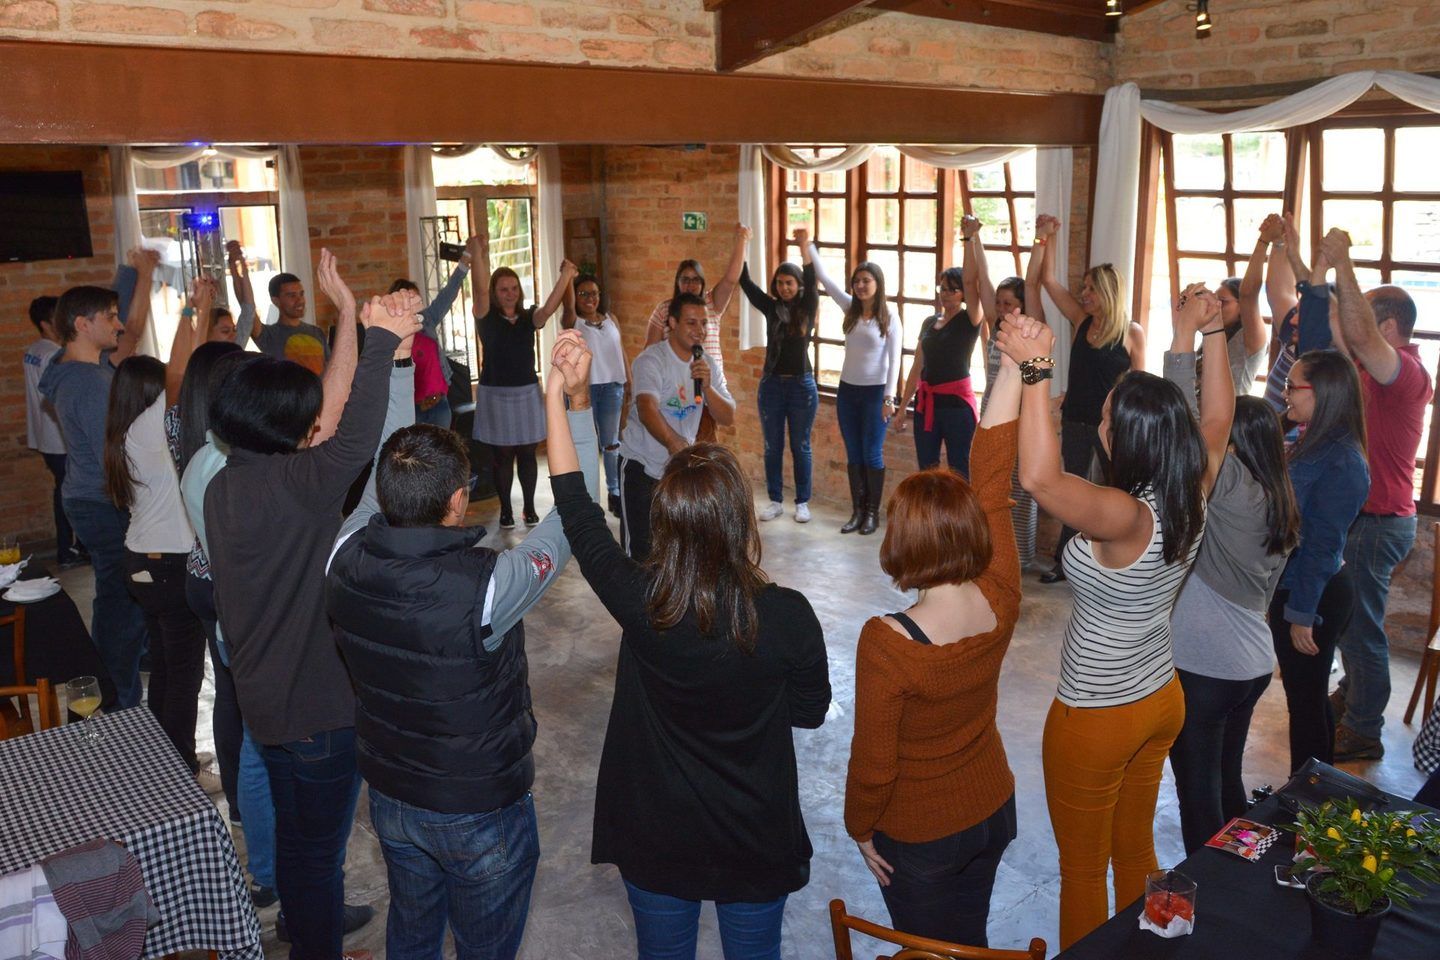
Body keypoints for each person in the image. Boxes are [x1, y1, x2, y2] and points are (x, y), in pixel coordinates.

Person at [544, 334, 831, 960]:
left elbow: (577, 509)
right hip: (754, 834)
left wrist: (561, 399)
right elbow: (809, 712)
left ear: (664, 521)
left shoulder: (642, 603)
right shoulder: (788, 617)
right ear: (740, 519)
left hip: (658, 833)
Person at [328, 331, 601, 960]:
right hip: (477, 808)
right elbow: (575, 513)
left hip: (392, 795)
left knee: (412, 933)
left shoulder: (342, 557)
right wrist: (573, 402)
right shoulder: (489, 588)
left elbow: (377, 479)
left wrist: (400, 362)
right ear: (458, 500)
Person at [996, 287, 1232, 950]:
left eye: (1105, 416)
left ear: (1120, 436)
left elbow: (1039, 479)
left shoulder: (1125, 516)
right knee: (1133, 849)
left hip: (1098, 713)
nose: (1099, 423)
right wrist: (1209, 333)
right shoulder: (1192, 486)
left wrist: (1035, 369)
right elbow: (1217, 418)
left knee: (1081, 871)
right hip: (1160, 698)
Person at [204, 277, 420, 960]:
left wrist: (364, 329)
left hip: (266, 704)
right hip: (319, 711)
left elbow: (331, 430)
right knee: (319, 854)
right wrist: (380, 343)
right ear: (286, 427)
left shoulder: (224, 485)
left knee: (299, 844)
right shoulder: (297, 485)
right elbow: (355, 438)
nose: (313, 424)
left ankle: (303, 932)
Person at [845, 333, 1024, 948]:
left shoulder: (886, 644)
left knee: (927, 952)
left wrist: (859, 828)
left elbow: (874, 766)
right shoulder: (1002, 594)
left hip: (922, 835)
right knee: (969, 944)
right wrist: (1015, 368)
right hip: (993, 808)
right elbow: (993, 478)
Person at [1163, 301, 1300, 855]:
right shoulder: (1279, 493)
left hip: (1209, 666)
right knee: (1225, 783)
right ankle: (1242, 875)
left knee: (1198, 796)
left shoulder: (1233, 487)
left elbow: (1186, 427)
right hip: (1251, 664)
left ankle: (1213, 891)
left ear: (1234, 444)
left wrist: (1187, 340)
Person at [1323, 228, 1434, 762]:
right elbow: (1340, 327)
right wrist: (1310, 261)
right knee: (1352, 620)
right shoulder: (1373, 369)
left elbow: (1360, 337)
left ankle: (1364, 727)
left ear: (1388, 327)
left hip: (1379, 521)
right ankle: (1354, 697)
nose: (1355, 328)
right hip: (1365, 518)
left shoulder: (1405, 372)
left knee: (1361, 628)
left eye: (1366, 319)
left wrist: (1344, 261)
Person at [38, 250, 158, 708]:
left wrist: (133, 274)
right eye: (110, 317)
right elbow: (114, 454)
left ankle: (118, 686)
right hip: (103, 504)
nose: (119, 324)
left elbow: (119, 323)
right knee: (121, 605)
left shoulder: (73, 364)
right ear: (83, 325)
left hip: (91, 500)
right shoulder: (86, 384)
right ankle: (113, 703)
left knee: (122, 598)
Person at [101, 281, 211, 777]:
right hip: (169, 565)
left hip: (140, 563)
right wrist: (190, 310)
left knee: (166, 666)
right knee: (184, 674)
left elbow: (191, 371)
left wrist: (199, 317)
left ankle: (165, 759)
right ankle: (181, 770)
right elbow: (182, 371)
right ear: (150, 394)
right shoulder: (151, 428)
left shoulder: (124, 435)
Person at [1270, 348, 1370, 772]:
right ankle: (1315, 786)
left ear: (1322, 392)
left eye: (1292, 386)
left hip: (1314, 593)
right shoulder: (1311, 440)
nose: (1285, 393)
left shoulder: (1342, 459)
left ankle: (1309, 794)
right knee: (1308, 698)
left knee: (1306, 703)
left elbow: (1322, 546)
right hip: (1300, 586)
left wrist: (1301, 613)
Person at [1034, 214, 1146, 584]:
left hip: (1113, 427)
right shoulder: (1082, 321)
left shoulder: (1131, 333)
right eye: (1084, 288)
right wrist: (1047, 237)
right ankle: (1066, 562)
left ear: (1108, 292)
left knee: (1116, 491)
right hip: (1077, 420)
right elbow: (1049, 281)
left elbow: (1138, 386)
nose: (1083, 294)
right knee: (1072, 490)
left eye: (1091, 289)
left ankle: (1114, 561)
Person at [617, 293, 736, 561]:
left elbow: (728, 415)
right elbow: (647, 409)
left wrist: (708, 388)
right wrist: (675, 444)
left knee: (677, 550)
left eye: (704, 323)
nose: (700, 330)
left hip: (678, 470)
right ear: (672, 322)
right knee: (640, 553)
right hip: (642, 466)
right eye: (691, 323)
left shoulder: (705, 364)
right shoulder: (651, 360)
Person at [471, 235, 575, 530]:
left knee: (528, 453)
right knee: (502, 456)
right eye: (503, 289)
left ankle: (529, 508)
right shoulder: (485, 316)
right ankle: (506, 511)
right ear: (495, 292)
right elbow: (479, 290)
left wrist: (566, 276)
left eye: (514, 288)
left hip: (526, 391)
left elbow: (550, 309)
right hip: (495, 393)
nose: (510, 294)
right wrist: (477, 254)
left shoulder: (529, 317)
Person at [809, 238, 903, 534]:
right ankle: (857, 512)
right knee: (854, 453)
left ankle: (872, 514)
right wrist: (806, 245)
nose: (860, 285)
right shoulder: (849, 307)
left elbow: (895, 360)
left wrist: (889, 398)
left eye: (866, 280)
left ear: (878, 284)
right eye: (857, 281)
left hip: (876, 394)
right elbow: (824, 278)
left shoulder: (890, 316)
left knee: (872, 453)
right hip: (848, 391)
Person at [971, 216, 1046, 569]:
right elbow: (981, 280)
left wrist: (1041, 240)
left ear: (1023, 307)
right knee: (991, 483)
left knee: (1019, 488)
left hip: (1021, 418)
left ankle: (1019, 557)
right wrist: (974, 238)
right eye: (999, 304)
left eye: (1008, 304)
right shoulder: (995, 327)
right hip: (991, 412)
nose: (1001, 309)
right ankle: (993, 551)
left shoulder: (1032, 333)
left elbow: (1032, 284)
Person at [739, 233, 819, 524]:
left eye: (790, 283)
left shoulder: (808, 305)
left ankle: (802, 502)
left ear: (798, 285)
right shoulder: (771, 307)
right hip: (772, 384)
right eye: (780, 283)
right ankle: (775, 500)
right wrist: (742, 244)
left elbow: (811, 277)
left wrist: (803, 246)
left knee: (801, 446)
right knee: (772, 446)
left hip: (801, 386)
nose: (784, 287)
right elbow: (746, 283)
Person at [896, 218, 985, 478]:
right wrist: (902, 408)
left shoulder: (970, 319)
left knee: (960, 470)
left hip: (957, 407)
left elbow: (972, 282)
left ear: (963, 293)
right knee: (927, 471)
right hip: (927, 405)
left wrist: (969, 239)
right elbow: (917, 366)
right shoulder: (929, 321)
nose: (945, 294)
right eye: (942, 289)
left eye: (952, 290)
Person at [644, 227, 748, 442]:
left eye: (695, 279)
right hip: (676, 393)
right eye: (685, 279)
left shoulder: (711, 303)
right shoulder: (665, 309)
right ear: (677, 282)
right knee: (677, 448)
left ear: (702, 283)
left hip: (707, 390)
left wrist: (742, 239)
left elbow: (730, 279)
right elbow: (650, 352)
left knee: (705, 447)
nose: (690, 284)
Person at [387, 234, 484, 430]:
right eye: (410, 300)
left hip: (439, 404)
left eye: (417, 298)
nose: (416, 303)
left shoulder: (427, 320)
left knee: (442, 448)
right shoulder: (390, 335)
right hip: (411, 410)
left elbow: (448, 293)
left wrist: (467, 256)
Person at [562, 272, 630, 517]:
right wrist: (567, 277)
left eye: (594, 293)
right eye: (583, 294)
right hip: (586, 390)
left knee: (611, 443)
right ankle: (589, 496)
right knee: (587, 443)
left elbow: (620, 351)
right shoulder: (573, 321)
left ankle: (615, 492)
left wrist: (629, 379)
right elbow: (568, 306)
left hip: (613, 387)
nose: (590, 298)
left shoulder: (611, 319)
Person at [23, 294, 83, 567]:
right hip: (59, 437)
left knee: (62, 490)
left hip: (46, 436)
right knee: (69, 493)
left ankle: (69, 548)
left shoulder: (34, 350)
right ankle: (68, 550)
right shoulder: (52, 355)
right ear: (46, 324)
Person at [256, 270, 329, 375]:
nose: (300, 300)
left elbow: (331, 369)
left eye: (301, 294)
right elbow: (248, 308)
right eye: (292, 295)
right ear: (276, 301)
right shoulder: (269, 334)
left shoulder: (317, 332)